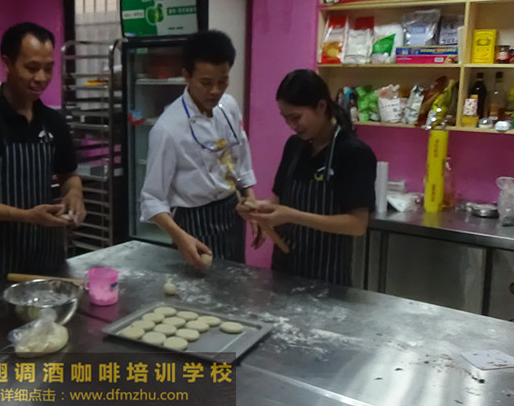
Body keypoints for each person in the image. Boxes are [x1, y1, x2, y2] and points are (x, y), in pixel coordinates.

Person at [0, 22, 85, 284]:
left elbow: (69, 175)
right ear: (7, 63)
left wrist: (74, 194)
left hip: (47, 260)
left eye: (48, 68)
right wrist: (27, 216)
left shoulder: (53, 121)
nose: (41, 78)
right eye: (32, 68)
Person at [238, 69, 377, 286]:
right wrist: (256, 209)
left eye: (296, 117)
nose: (292, 126)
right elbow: (277, 201)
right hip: (284, 271)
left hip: (328, 277)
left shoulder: (353, 152)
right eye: (286, 119)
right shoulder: (294, 146)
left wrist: (292, 216)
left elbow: (357, 224)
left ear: (321, 106)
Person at [140, 30, 258, 269]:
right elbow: (152, 199)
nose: (215, 91)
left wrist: (252, 203)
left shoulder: (229, 106)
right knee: (199, 289)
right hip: (193, 222)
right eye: (206, 83)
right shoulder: (168, 129)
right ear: (186, 76)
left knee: (235, 281)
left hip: (231, 212)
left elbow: (240, 160)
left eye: (222, 82)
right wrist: (180, 238)